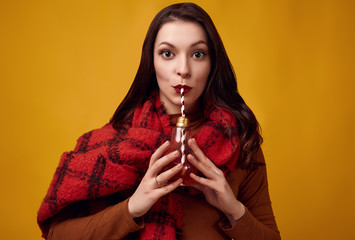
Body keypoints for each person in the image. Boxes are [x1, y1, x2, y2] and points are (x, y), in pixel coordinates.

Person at [37, 3, 280, 240]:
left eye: (198, 54)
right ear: (151, 63)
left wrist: (233, 209)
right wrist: (132, 207)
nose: (183, 69)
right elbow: (57, 235)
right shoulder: (113, 143)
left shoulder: (239, 140)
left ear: (212, 64)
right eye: (167, 53)